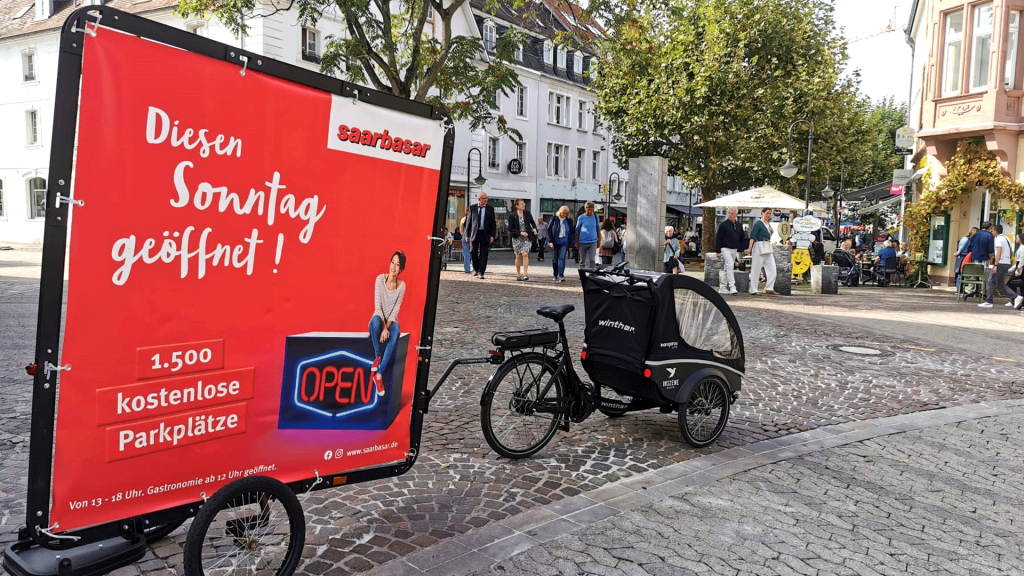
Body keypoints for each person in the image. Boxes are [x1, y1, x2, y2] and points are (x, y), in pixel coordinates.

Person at [369, 251, 407, 397]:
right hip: (378, 319)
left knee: (396, 331)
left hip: (392, 321)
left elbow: (395, 311)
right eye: (392, 262)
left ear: (401, 269)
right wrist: (384, 328)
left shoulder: (402, 286)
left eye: (397, 265)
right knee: (375, 322)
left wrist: (388, 328)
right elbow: (378, 308)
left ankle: (379, 374)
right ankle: (378, 356)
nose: (393, 267)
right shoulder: (379, 280)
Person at [980, 224, 1016, 308]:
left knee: (990, 281)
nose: (991, 232)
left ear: (996, 231)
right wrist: (1007, 258)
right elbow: (1011, 251)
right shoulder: (1006, 238)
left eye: (992, 231)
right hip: (1006, 262)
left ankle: (989, 301)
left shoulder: (998, 239)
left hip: (1000, 263)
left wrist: (995, 264)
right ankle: (1015, 297)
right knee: (1000, 283)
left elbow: (999, 252)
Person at [715, 207, 746, 295]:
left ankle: (722, 287)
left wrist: (743, 248)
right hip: (725, 248)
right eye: (729, 213)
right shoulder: (723, 225)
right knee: (730, 265)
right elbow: (718, 238)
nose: (730, 215)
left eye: (732, 213)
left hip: (734, 249)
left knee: (727, 268)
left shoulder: (738, 225)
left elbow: (742, 237)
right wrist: (718, 251)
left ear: (736, 214)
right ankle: (732, 286)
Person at [747, 207, 778, 295]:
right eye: (767, 213)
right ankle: (753, 289)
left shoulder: (768, 224)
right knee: (756, 268)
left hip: (767, 246)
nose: (769, 215)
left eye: (770, 213)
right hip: (759, 245)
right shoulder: (758, 223)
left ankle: (769, 288)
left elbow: (771, 233)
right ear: (762, 213)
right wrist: (749, 248)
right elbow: (753, 236)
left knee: (772, 268)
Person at [465, 193, 497, 279]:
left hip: (485, 233)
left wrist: (492, 235)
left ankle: (481, 272)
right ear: (479, 199)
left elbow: (493, 224)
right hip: (475, 233)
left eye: (486, 198)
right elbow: (468, 222)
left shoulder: (490, 209)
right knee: (473, 251)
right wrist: (467, 235)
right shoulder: (473, 208)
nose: (486, 200)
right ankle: (476, 268)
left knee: (484, 253)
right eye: (484, 198)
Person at [508, 198, 538, 281]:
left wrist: (534, 228)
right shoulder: (512, 215)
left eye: (524, 203)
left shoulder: (527, 214)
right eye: (521, 204)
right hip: (517, 238)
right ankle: (518, 274)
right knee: (518, 256)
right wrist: (520, 232)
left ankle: (525, 274)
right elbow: (510, 228)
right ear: (517, 206)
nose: (523, 205)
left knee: (525, 254)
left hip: (526, 237)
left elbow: (532, 222)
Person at [547, 205, 574, 282]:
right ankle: (555, 274)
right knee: (555, 259)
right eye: (563, 213)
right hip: (555, 241)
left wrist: (571, 245)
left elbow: (572, 233)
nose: (564, 215)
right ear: (560, 212)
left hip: (564, 242)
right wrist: (550, 241)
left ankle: (561, 275)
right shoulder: (554, 219)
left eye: (566, 213)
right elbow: (549, 230)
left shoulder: (569, 221)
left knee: (562, 258)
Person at [575, 201, 601, 270]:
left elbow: (598, 229)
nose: (589, 211)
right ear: (585, 208)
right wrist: (576, 242)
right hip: (582, 241)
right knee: (582, 260)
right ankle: (581, 273)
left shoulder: (596, 217)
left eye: (591, 209)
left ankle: (591, 273)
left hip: (593, 241)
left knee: (592, 259)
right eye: (588, 209)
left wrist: (599, 241)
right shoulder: (581, 217)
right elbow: (577, 230)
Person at [1007, 232, 1024, 309]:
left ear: (1020, 239)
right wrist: (1012, 269)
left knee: (1010, 283)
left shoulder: (1022, 248)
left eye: (1017, 237)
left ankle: (1014, 299)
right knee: (1021, 286)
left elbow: (1022, 260)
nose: (1016, 239)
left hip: (1020, 269)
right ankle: (1016, 300)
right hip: (1018, 267)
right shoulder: (1020, 247)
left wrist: (1018, 271)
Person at [459, 206, 472, 274]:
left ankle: (467, 269)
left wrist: (463, 234)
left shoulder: (463, 219)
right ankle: (475, 268)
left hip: (465, 235)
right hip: (472, 236)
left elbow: (461, 229)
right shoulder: (474, 218)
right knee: (473, 253)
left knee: (466, 254)